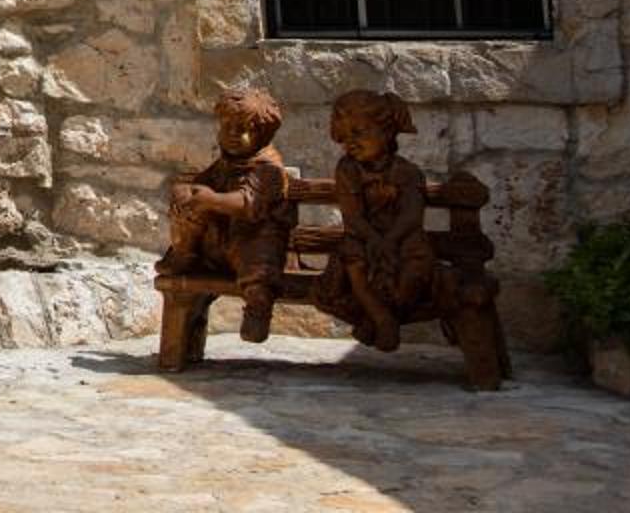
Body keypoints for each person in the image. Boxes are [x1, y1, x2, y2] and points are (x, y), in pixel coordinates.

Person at [160, 85, 294, 342]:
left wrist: (211, 199)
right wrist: (185, 193)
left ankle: (257, 308)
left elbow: (247, 203)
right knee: (189, 208)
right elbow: (202, 185)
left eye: (242, 129)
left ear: (262, 134)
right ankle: (184, 255)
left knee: (259, 264)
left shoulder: (268, 169)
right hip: (219, 247)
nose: (232, 135)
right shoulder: (225, 163)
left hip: (254, 245)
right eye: (226, 127)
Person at [317, 87, 437, 352]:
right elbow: (352, 216)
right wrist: (373, 239)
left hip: (402, 238)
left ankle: (376, 318)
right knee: (353, 256)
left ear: (387, 132)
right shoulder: (347, 169)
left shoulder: (408, 173)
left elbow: (411, 216)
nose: (350, 143)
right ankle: (383, 319)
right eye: (344, 136)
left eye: (359, 133)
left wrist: (390, 241)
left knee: (417, 259)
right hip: (364, 236)